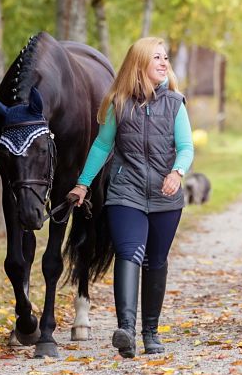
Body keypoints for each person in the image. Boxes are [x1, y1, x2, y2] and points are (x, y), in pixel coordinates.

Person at [68, 37, 194, 358]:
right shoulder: (119, 104)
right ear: (140, 64)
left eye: (165, 58)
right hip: (127, 193)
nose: (164, 63)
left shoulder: (175, 103)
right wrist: (82, 184)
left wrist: (177, 173)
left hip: (165, 197)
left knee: (156, 261)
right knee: (128, 253)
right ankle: (126, 329)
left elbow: (186, 148)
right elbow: (101, 146)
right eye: (157, 58)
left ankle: (150, 331)